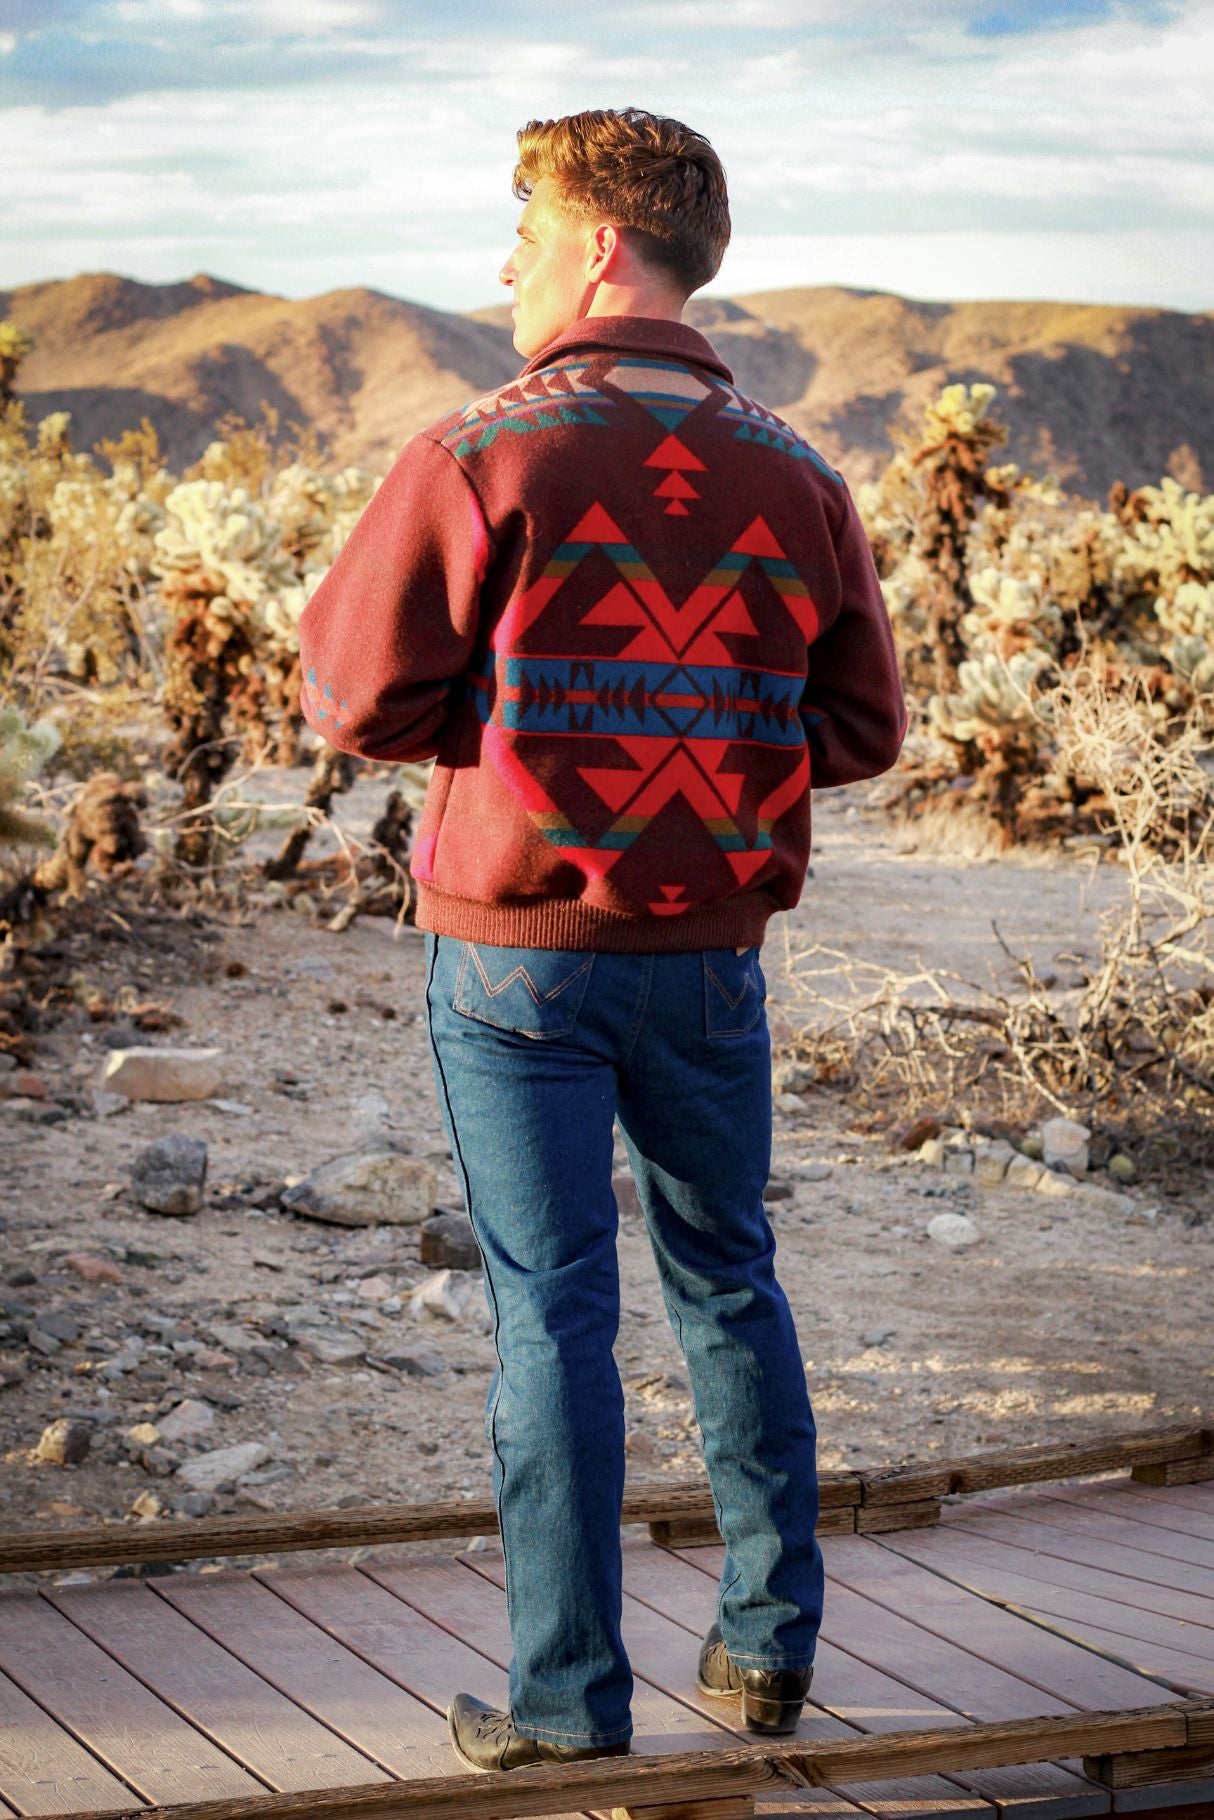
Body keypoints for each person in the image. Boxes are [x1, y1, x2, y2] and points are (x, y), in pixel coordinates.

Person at [297, 105, 907, 1774]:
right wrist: (708, 745)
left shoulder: (480, 451)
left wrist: (503, 731)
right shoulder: (799, 474)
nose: (502, 265)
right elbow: (860, 727)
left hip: (515, 953)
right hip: (708, 952)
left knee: (551, 1310)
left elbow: (356, 697)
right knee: (729, 1277)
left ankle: (567, 1705)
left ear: (594, 242)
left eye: (518, 227)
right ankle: (768, 1650)